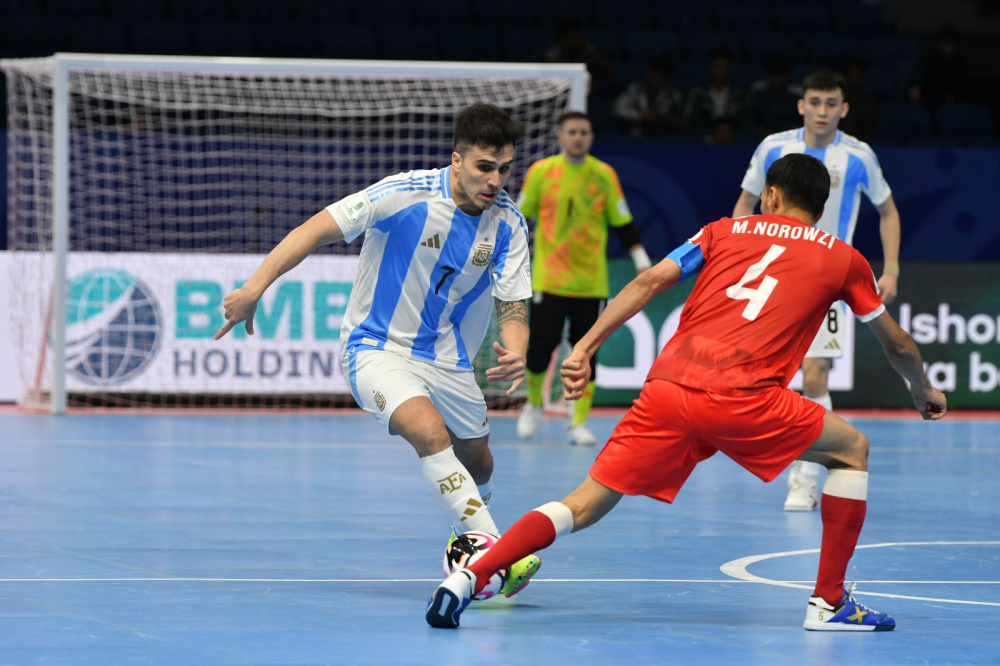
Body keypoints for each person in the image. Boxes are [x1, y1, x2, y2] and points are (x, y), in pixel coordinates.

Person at [425, 153, 947, 631]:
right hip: (746, 398)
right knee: (852, 450)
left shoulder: (722, 231)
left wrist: (582, 347)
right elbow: (897, 343)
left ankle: (467, 579)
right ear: (821, 205)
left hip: (669, 388)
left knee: (582, 503)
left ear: (770, 196)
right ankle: (829, 604)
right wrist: (921, 389)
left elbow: (650, 281)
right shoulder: (845, 258)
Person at [214, 103, 540, 597]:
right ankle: (493, 553)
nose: (495, 180)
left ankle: (464, 543)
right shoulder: (402, 193)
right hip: (375, 346)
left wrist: (516, 347)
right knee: (429, 432)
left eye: (504, 169)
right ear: (457, 160)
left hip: (448, 358)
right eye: (484, 167)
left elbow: (513, 301)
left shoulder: (509, 224)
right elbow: (314, 230)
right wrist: (254, 286)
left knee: (480, 461)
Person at [732, 70, 902, 511]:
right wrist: (742, 254)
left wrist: (893, 268)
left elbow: (887, 210)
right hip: (772, 277)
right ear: (801, 105)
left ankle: (804, 479)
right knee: (766, 377)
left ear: (844, 109)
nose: (822, 111)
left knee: (815, 375)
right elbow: (746, 203)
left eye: (831, 103)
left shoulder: (859, 156)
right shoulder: (773, 146)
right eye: (815, 102)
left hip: (826, 283)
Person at [514, 111, 652, 446]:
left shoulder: (603, 174)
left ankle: (578, 421)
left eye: (585, 132)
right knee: (540, 348)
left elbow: (623, 220)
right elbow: (519, 216)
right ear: (560, 136)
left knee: (586, 353)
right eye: (573, 131)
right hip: (549, 278)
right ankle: (533, 404)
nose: (579, 137)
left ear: (591, 138)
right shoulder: (541, 173)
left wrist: (641, 258)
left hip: (592, 282)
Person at [611, 55, 685, 138]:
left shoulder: (673, 94)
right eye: (653, 74)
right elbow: (617, 109)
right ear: (647, 73)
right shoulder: (634, 89)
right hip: (635, 136)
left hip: (665, 138)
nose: (656, 78)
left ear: (666, 77)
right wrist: (641, 116)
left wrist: (663, 119)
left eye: (660, 75)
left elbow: (681, 120)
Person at [683, 48, 745, 139]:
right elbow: (690, 121)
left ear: (729, 68)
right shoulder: (698, 93)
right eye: (717, 66)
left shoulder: (738, 94)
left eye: (724, 66)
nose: (720, 70)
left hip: (733, 142)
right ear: (710, 67)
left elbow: (745, 122)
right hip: (704, 142)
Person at [742, 56, 802, 139]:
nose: (777, 80)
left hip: (789, 138)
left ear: (787, 78)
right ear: (768, 76)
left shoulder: (796, 96)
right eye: (774, 76)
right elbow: (748, 119)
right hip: (759, 137)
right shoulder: (757, 92)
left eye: (780, 76)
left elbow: (800, 123)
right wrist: (759, 130)